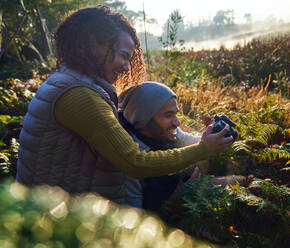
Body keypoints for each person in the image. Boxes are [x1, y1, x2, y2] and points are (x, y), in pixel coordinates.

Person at [15, 6, 233, 205]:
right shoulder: (79, 94)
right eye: (123, 56)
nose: (127, 68)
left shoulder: (73, 84)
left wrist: (206, 138)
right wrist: (202, 150)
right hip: (55, 220)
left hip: (59, 211)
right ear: (94, 45)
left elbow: (159, 139)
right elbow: (135, 162)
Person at [118, 82, 248, 210]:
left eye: (176, 114)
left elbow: (194, 143)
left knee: (245, 182)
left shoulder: (163, 132)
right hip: (165, 221)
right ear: (143, 118)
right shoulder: (129, 162)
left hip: (188, 192)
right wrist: (179, 198)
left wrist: (213, 133)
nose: (177, 122)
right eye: (168, 115)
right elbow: (134, 219)